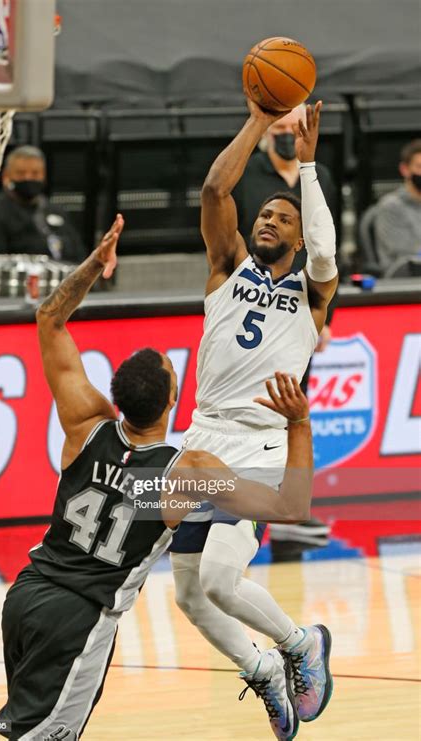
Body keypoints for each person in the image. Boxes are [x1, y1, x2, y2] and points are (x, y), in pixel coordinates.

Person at [0, 214, 317, 740]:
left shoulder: (84, 425)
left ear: (116, 399)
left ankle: (268, 664)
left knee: (16, 725)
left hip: (26, 595)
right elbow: (290, 508)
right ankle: (290, 647)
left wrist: (94, 267)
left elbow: (50, 319)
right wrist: (299, 423)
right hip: (81, 620)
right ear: (173, 401)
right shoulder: (181, 476)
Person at [169, 101, 337, 740]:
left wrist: (308, 164)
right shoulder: (226, 266)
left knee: (218, 577)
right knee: (189, 594)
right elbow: (216, 189)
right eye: (264, 213)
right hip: (201, 436)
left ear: (296, 237)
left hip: (261, 442)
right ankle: (263, 668)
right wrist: (259, 119)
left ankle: (300, 645)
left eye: (281, 218)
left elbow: (323, 252)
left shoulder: (312, 294)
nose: (268, 220)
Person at [233, 104, 336, 550]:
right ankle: (235, 502)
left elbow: (327, 250)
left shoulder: (321, 178)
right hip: (249, 297)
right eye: (279, 127)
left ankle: (289, 508)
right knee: (244, 404)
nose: (286, 134)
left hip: (300, 305)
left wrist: (324, 316)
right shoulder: (248, 174)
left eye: (293, 127)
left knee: (293, 408)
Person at [0, 145, 87, 262]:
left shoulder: (56, 211)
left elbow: (79, 255)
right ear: (6, 177)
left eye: (35, 173)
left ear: (44, 176)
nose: (28, 178)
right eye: (21, 173)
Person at [372, 138, 421, 274]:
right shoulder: (390, 207)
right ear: (405, 169)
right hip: (402, 282)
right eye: (419, 167)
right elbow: (407, 255)